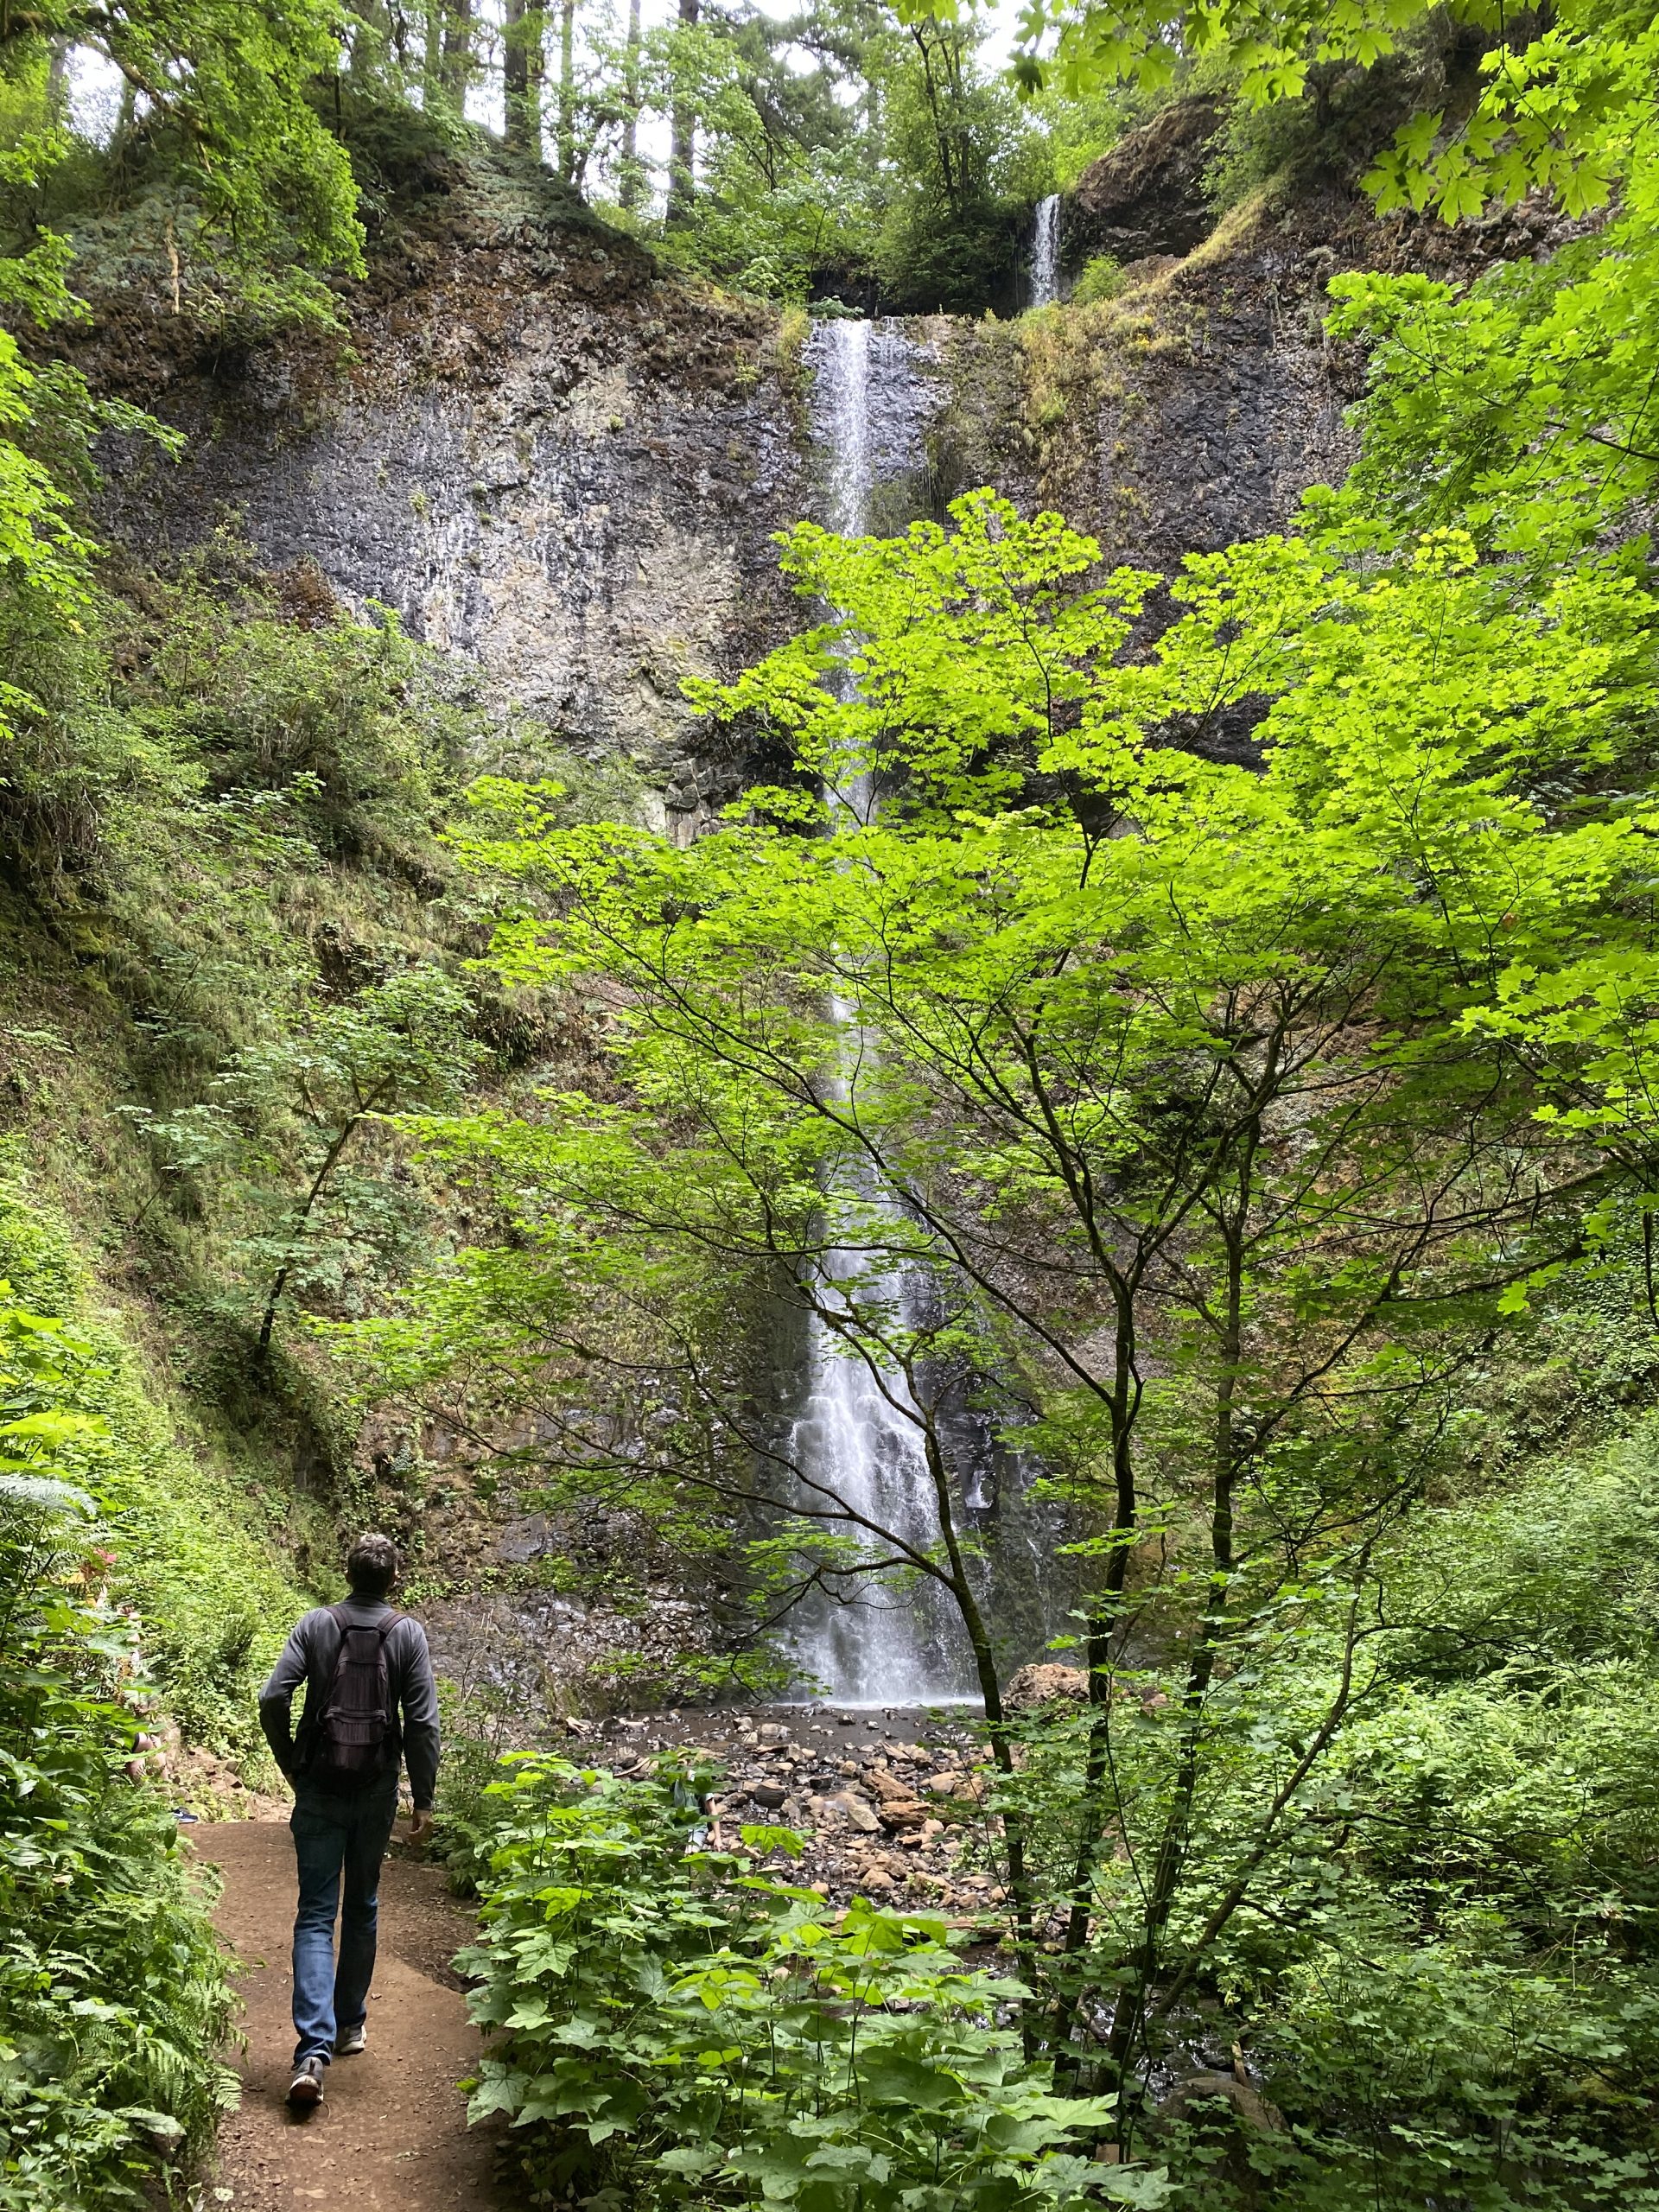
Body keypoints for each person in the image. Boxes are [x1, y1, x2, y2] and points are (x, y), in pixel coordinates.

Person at [258, 1531, 440, 2111]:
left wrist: (292, 1763)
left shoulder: (314, 1625)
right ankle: (350, 2024)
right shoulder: (406, 1633)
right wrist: (424, 1799)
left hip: (319, 1786)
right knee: (360, 1906)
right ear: (393, 1578)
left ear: (346, 1572)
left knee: (315, 1913)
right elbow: (423, 1724)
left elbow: (272, 1698)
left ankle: (312, 2051)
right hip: (375, 1789)